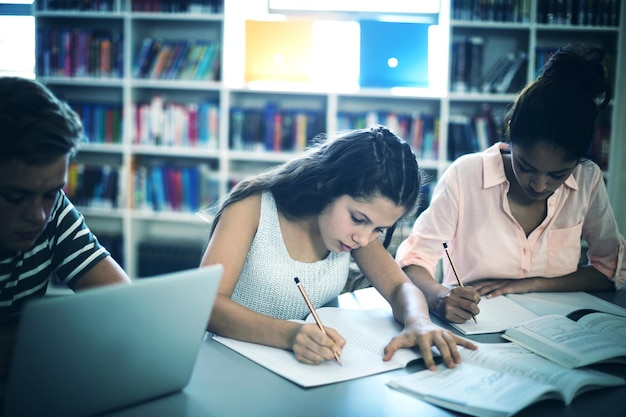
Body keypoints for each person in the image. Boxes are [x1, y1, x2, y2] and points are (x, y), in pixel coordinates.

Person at [200, 125, 476, 370]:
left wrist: (419, 322)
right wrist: (289, 334)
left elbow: (399, 287)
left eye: (379, 229)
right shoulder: (251, 209)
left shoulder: (353, 234)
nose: (364, 239)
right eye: (358, 219)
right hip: (227, 363)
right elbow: (208, 305)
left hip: (300, 368)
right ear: (325, 183)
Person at [395, 43, 625, 324]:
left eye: (558, 175)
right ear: (509, 128)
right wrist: (439, 296)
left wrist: (530, 283)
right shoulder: (467, 174)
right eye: (526, 167)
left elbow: (608, 270)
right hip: (477, 325)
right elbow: (413, 261)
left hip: (561, 329)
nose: (539, 186)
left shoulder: (587, 179)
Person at [0, 77, 131, 377]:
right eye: (15, 196)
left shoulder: (54, 209)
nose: (37, 215)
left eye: (50, 193)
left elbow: (122, 303)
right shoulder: (42, 207)